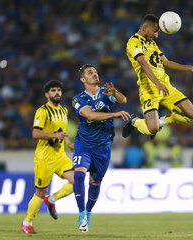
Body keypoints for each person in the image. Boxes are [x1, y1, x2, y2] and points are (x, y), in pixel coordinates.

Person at [123, 14, 193, 139]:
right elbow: (143, 63)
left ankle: (163, 121)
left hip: (166, 87)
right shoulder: (133, 43)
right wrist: (157, 83)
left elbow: (166, 63)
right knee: (152, 129)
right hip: (149, 90)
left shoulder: (152, 44)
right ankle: (134, 121)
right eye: (155, 31)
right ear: (145, 28)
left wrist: (189, 68)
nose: (156, 35)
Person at [72, 64, 130, 232]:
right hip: (84, 143)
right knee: (78, 174)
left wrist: (116, 93)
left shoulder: (105, 93)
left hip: (103, 145)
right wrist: (114, 114)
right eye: (90, 73)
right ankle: (81, 212)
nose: (95, 74)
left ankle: (89, 212)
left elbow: (123, 100)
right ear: (83, 79)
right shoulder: (78, 99)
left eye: (96, 72)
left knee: (95, 182)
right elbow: (90, 115)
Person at [20, 80, 75, 234]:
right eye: (53, 90)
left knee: (76, 180)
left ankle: (51, 200)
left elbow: (62, 132)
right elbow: (35, 133)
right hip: (44, 157)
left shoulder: (63, 111)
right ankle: (27, 222)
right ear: (47, 94)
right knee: (40, 193)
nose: (57, 92)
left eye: (58, 90)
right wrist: (54, 135)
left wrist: (69, 143)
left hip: (60, 155)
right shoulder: (42, 111)